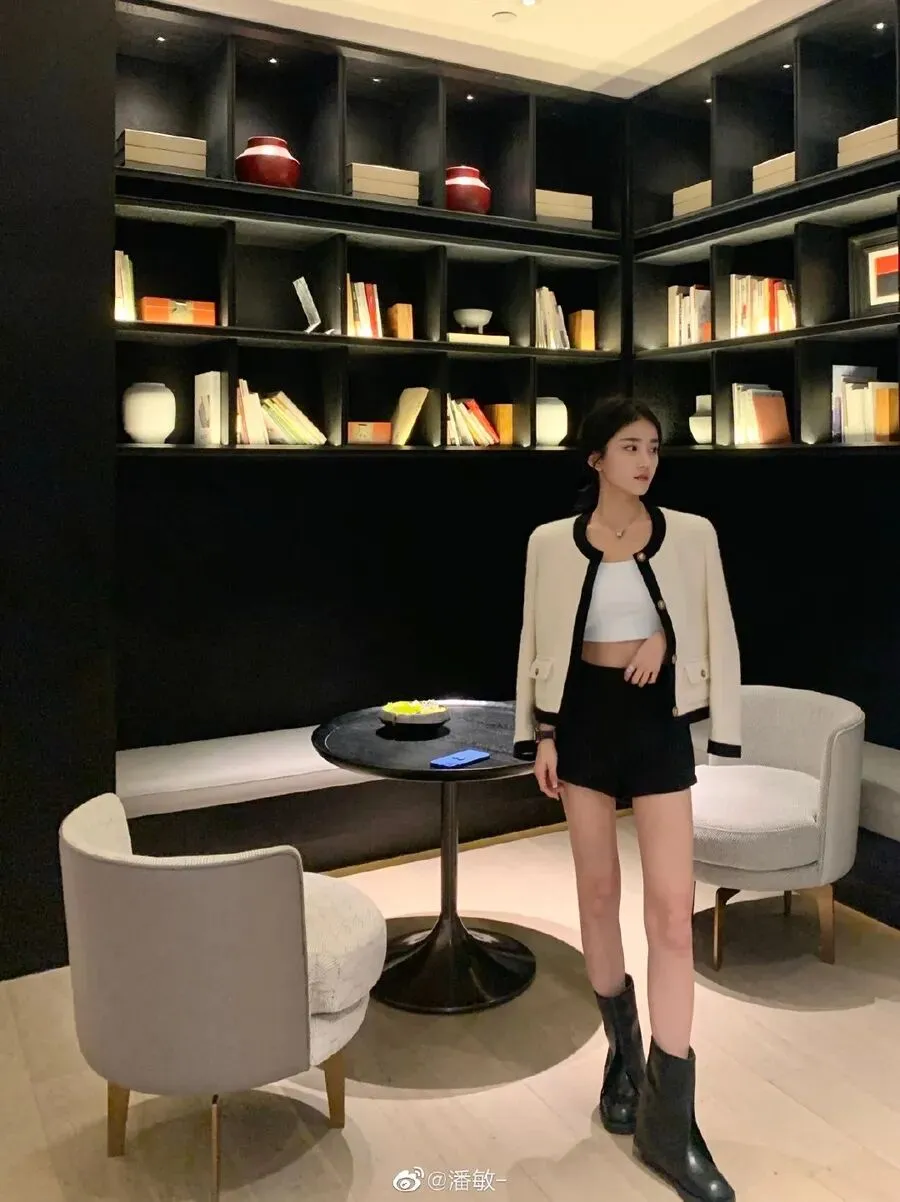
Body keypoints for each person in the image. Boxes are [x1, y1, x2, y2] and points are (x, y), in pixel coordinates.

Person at [513, 397, 740, 1202]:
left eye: (653, 447)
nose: (646, 461)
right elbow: (538, 640)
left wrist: (666, 637)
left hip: (656, 722)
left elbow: (710, 619)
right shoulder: (550, 543)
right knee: (599, 895)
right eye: (630, 446)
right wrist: (541, 733)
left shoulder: (692, 533)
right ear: (596, 459)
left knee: (673, 913)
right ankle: (622, 1051)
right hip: (582, 723)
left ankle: (670, 1122)